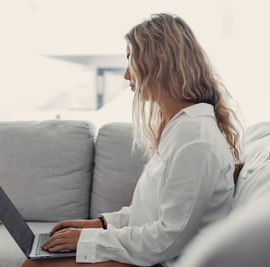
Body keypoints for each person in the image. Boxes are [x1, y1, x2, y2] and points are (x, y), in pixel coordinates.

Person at [21, 13, 242, 267]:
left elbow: (168, 238)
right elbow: (148, 215)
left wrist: (88, 239)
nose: (127, 75)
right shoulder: (179, 129)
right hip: (156, 255)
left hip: (165, 260)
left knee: (35, 266)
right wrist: (100, 224)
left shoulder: (195, 140)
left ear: (158, 63)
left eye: (131, 59)